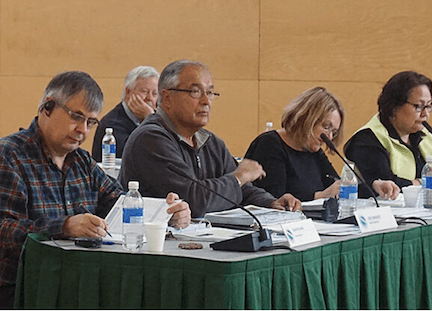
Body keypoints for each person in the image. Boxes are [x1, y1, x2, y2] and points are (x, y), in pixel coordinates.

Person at [0, 71, 191, 309]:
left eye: (91, 122)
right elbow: (5, 231)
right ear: (47, 107)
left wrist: (164, 213)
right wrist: (66, 227)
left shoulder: (82, 162)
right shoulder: (9, 155)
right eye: (76, 117)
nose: (83, 130)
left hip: (80, 285)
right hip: (23, 290)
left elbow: (120, 205)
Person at [119, 60, 301, 217]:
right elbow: (196, 200)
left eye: (210, 93)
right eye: (196, 92)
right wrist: (238, 178)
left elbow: (241, 189)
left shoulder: (211, 142)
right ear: (167, 98)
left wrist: (271, 203)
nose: (206, 101)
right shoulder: (150, 139)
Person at [244, 86, 400, 202]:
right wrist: (320, 196)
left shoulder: (313, 149)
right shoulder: (270, 144)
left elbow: (337, 186)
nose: (329, 137)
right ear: (307, 118)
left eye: (334, 131)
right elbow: (274, 198)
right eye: (326, 127)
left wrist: (375, 186)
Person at [344, 71, 432, 190]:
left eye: (429, 106)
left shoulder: (424, 132)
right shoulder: (366, 139)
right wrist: (426, 182)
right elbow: (387, 185)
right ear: (394, 107)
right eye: (419, 107)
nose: (425, 114)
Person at [91, 66, 160, 161]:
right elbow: (141, 155)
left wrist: (151, 118)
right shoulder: (112, 123)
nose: (150, 98)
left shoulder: (156, 116)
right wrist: (150, 119)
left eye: (154, 94)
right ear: (128, 92)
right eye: (144, 91)